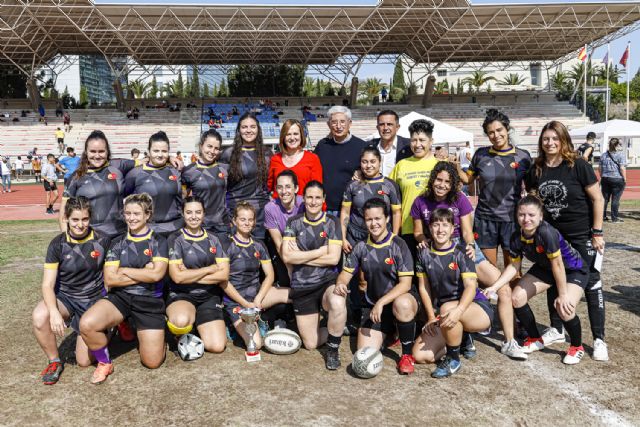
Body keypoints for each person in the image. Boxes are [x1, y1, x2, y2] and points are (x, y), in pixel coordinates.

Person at [411, 161, 525, 359]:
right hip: (436, 248)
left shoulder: (459, 198)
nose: (442, 185)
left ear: (453, 183)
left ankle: (509, 340)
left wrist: (470, 246)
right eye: (439, 179)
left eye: (447, 181)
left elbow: (466, 231)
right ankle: (460, 335)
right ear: (432, 179)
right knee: (447, 294)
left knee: (503, 286)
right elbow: (418, 232)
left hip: (462, 248)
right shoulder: (420, 201)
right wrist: (423, 241)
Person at [525, 120, 607, 361]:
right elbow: (532, 200)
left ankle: (599, 338)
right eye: (546, 139)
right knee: (553, 276)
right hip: (552, 237)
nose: (550, 143)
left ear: (563, 141)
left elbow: (598, 200)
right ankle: (556, 328)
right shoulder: (536, 169)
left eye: (554, 139)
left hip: (581, 237)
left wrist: (597, 232)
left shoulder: (578, 165)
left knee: (591, 283)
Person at [486, 195, 588, 364]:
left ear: (541, 216)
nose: (526, 219)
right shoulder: (515, 236)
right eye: (522, 215)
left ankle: (577, 347)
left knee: (564, 307)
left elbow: (558, 265)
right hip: (546, 268)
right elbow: (513, 267)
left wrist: (562, 295)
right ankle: (535, 339)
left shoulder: (546, 233)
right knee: (516, 298)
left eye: (531, 215)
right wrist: (494, 287)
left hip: (572, 270)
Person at [79, 193, 169, 384]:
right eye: (127, 213)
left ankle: (160, 340)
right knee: (87, 324)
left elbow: (157, 275)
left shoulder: (159, 241)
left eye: (136, 213)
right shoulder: (117, 242)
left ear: (147, 215)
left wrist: (124, 271)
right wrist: (143, 272)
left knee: (152, 362)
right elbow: (110, 279)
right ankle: (105, 362)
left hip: (149, 300)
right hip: (120, 298)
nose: (131, 218)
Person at [32, 197, 111, 384]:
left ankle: (103, 329)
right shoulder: (57, 244)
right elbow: (47, 285)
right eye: (75, 219)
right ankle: (54, 361)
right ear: (66, 218)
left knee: (83, 361)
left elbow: (110, 279)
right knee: (39, 316)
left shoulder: (103, 240)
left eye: (85, 219)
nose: (80, 224)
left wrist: (105, 309)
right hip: (67, 298)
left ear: (90, 218)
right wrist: (54, 313)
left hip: (93, 300)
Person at [336, 198, 418, 374]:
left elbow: (406, 284)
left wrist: (381, 302)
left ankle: (406, 355)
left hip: (399, 301)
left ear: (387, 219)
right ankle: (391, 332)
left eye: (378, 218)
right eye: (369, 219)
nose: (374, 223)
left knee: (402, 304)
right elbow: (344, 274)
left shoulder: (398, 245)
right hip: (374, 308)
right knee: (363, 354)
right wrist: (341, 284)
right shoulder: (361, 247)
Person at [412, 208, 493, 378]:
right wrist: (430, 317)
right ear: (429, 227)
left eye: (445, 225)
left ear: (452, 228)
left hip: (475, 308)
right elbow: (423, 287)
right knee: (420, 356)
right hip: (445, 314)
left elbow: (471, 287)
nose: (440, 230)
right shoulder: (423, 253)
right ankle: (460, 337)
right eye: (435, 225)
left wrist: (458, 311)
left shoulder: (463, 252)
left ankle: (453, 359)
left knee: (447, 308)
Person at [281, 181, 347, 370]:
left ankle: (333, 349)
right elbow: (286, 256)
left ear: (324, 199)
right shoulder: (293, 222)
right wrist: (320, 251)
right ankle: (338, 326)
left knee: (337, 301)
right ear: (304, 198)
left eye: (318, 197)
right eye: (309, 197)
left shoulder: (333, 222)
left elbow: (334, 259)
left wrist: (299, 257)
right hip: (302, 286)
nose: (313, 201)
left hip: (326, 282)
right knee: (310, 344)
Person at [457, 109, 532, 270]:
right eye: (491, 132)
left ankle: (511, 296)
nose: (496, 135)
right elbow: (467, 179)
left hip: (512, 220)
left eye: (499, 130)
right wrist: (455, 166)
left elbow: (532, 189)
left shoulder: (523, 157)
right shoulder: (481, 155)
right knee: (489, 271)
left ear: (507, 129)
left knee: (513, 270)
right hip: (485, 219)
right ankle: (493, 296)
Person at [165, 196, 232, 354]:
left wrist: (188, 274)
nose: (193, 216)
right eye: (189, 212)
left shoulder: (215, 239)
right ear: (183, 214)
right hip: (182, 294)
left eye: (198, 212)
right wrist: (209, 269)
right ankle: (181, 324)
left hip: (208, 296)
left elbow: (223, 275)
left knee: (216, 346)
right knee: (180, 322)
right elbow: (177, 278)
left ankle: (196, 324)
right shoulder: (175, 239)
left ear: (204, 214)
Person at [224, 202, 290, 348]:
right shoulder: (227, 246)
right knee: (257, 345)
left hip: (256, 296)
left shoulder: (258, 244)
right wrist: (246, 304)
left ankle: (268, 319)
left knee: (296, 294)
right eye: (242, 219)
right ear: (234, 221)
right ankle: (230, 325)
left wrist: (258, 298)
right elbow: (223, 282)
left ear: (254, 222)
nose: (247, 223)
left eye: (250, 219)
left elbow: (270, 275)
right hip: (236, 300)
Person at [60, 130, 139, 238]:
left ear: (107, 152)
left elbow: (149, 161)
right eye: (92, 151)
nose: (97, 156)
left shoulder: (119, 165)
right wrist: (66, 240)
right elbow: (63, 213)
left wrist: (170, 158)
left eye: (101, 151)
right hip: (90, 240)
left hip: (120, 238)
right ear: (86, 152)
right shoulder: (76, 176)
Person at [389, 119, 440, 259]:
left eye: (422, 140)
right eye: (414, 140)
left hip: (437, 229)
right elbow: (386, 190)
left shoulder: (440, 164)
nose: (418, 145)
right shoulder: (401, 165)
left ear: (431, 141)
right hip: (407, 228)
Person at [220, 112, 273, 240]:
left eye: (252, 127)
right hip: (236, 212)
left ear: (258, 129)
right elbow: (220, 184)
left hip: (260, 213)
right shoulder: (229, 153)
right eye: (244, 127)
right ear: (239, 130)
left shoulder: (267, 153)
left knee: (260, 253)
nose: (248, 130)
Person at [125, 131, 183, 237]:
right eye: (156, 151)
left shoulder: (176, 170)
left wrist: (170, 158)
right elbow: (123, 198)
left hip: (176, 229)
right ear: (149, 151)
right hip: (147, 231)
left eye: (164, 151)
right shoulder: (135, 173)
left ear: (169, 152)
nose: (160, 155)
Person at [313, 106, 367, 215]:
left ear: (350, 123)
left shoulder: (361, 146)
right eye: (334, 122)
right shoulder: (322, 145)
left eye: (342, 122)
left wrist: (362, 172)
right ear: (329, 125)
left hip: (351, 209)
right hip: (324, 208)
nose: (338, 126)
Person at [181, 130, 230, 243]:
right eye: (209, 146)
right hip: (199, 225)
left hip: (222, 225)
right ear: (201, 145)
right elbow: (182, 196)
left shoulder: (225, 169)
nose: (212, 151)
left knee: (223, 259)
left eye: (216, 148)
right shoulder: (189, 171)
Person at [264, 170, 305, 287]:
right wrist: (290, 270)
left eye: (288, 187)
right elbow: (279, 243)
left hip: (303, 245)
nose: (284, 191)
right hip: (284, 249)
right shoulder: (270, 208)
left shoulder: (303, 204)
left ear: (296, 188)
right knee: (287, 280)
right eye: (280, 187)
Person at [267, 119, 323, 197]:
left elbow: (318, 189)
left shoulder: (312, 159)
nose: (292, 138)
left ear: (301, 136)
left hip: (303, 207)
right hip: (279, 207)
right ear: (283, 137)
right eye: (288, 134)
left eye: (295, 134)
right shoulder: (275, 159)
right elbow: (269, 186)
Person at [371, 110, 412, 177]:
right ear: (377, 128)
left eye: (389, 124)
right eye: (382, 124)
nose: (385, 128)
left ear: (397, 127)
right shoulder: (369, 146)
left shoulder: (409, 146)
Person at [600, 137, 627, 223]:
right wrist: (625, 178)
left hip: (605, 178)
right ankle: (614, 218)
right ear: (617, 145)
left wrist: (602, 176)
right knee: (615, 199)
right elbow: (622, 168)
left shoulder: (603, 155)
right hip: (617, 178)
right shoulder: (620, 155)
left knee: (604, 199)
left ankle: (602, 216)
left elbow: (600, 168)